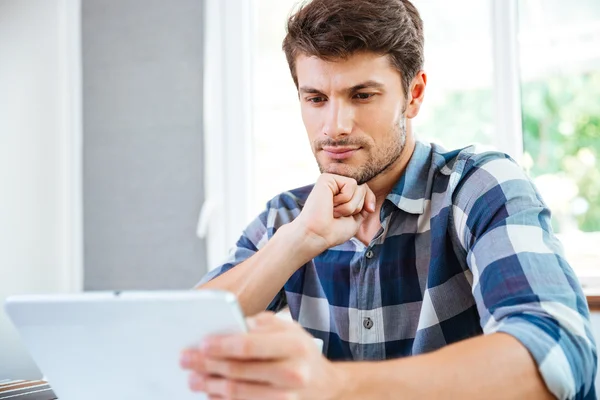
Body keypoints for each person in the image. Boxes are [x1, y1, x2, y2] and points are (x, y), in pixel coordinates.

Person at [180, 0, 597, 398]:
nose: (335, 126)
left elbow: (557, 349)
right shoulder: (288, 217)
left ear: (413, 95)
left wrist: (335, 387)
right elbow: (177, 345)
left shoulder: (478, 186)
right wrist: (297, 241)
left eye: (362, 95)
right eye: (315, 99)